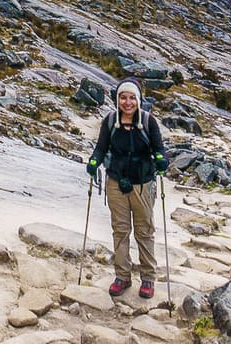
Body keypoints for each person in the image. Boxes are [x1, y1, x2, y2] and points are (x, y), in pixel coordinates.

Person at [86, 77, 169, 298]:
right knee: (120, 231)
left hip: (143, 184)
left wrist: (161, 160)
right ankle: (122, 276)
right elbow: (101, 148)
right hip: (116, 183)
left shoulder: (149, 122)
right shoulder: (110, 121)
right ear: (117, 99)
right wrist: (94, 161)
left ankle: (148, 278)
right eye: (123, 97)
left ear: (139, 100)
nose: (128, 102)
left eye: (132, 98)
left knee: (144, 231)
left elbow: (159, 149)